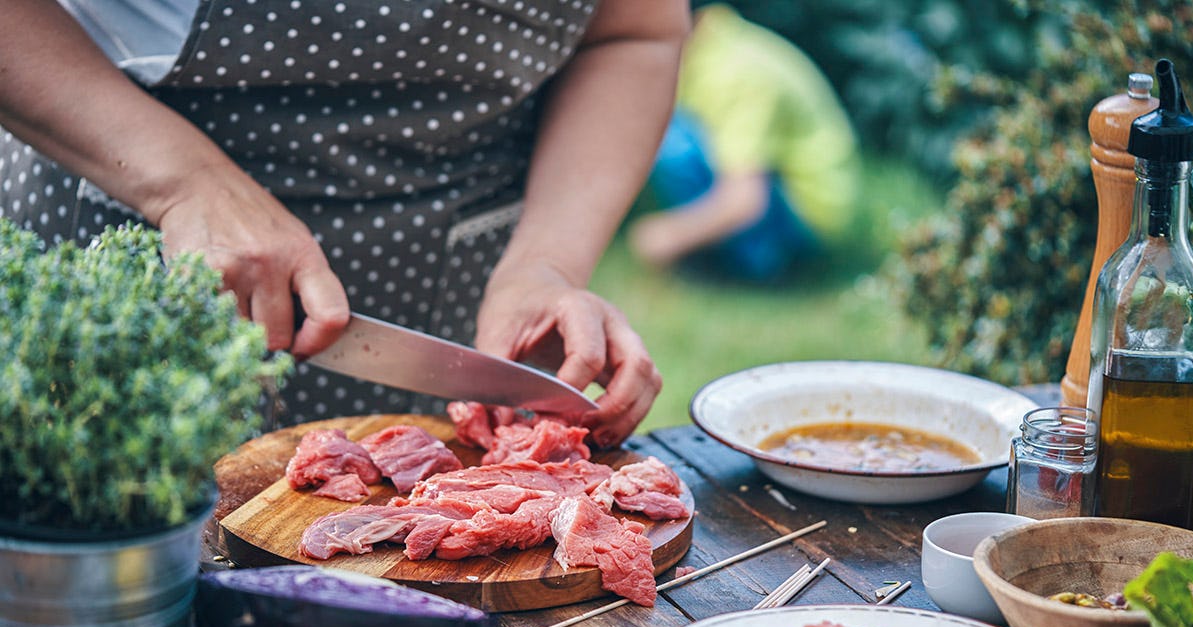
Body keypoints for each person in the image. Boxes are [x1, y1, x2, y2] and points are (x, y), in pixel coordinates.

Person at [0, 0, 689, 447]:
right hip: (130, 242)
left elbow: (635, 31)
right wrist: (184, 184)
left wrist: (547, 264)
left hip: (452, 293)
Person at [628, 3, 860, 283]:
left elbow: (747, 201)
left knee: (670, 138)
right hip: (791, 194)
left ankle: (756, 264)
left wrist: (666, 236)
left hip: (807, 217)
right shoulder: (713, 46)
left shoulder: (735, 75)